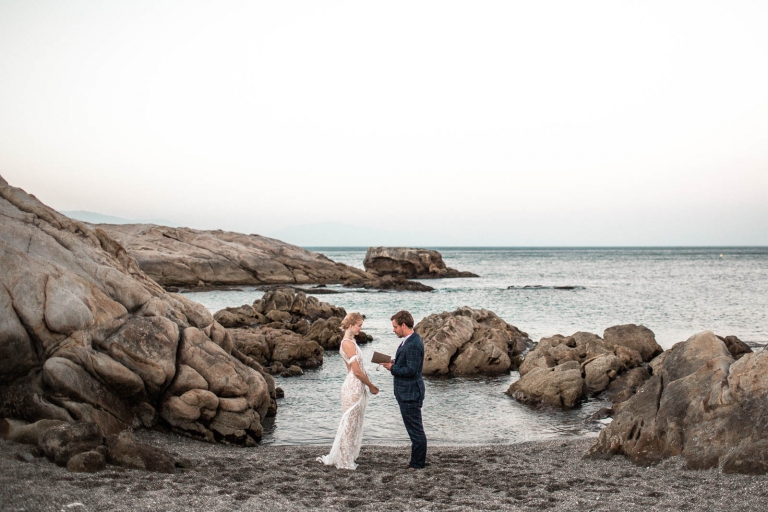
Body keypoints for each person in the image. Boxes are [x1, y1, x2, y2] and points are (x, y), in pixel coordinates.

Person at [317, 312, 379, 470]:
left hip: (354, 384)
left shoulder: (351, 341)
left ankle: (347, 456)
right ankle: (344, 460)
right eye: (359, 325)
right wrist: (371, 385)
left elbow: (350, 369)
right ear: (351, 325)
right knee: (349, 423)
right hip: (354, 385)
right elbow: (356, 372)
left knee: (353, 423)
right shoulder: (348, 344)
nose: (360, 328)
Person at [382, 310, 427, 470]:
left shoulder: (413, 343)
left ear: (403, 325)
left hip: (411, 393)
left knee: (415, 430)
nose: (393, 330)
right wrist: (394, 362)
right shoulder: (409, 340)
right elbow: (407, 364)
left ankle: (418, 463)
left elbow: (412, 370)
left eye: (395, 327)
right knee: (413, 429)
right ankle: (416, 461)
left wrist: (392, 368)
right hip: (407, 392)